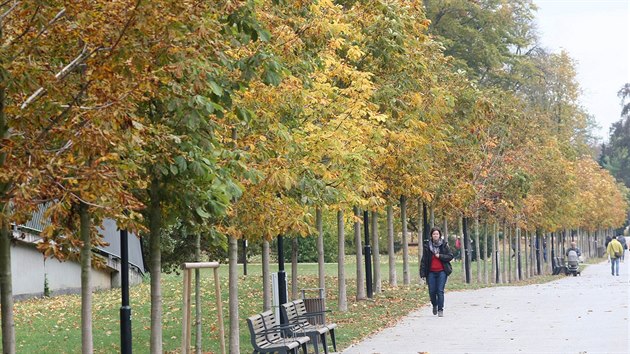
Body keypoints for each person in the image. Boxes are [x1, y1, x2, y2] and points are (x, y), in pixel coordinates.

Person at [420, 227, 454, 317]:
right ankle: (434, 305)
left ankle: (440, 309)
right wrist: (422, 273)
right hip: (431, 272)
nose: (435, 235)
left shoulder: (444, 245)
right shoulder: (427, 246)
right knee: (432, 291)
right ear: (431, 235)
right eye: (434, 234)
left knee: (440, 291)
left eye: (437, 234)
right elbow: (424, 260)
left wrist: (440, 256)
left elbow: (450, 256)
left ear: (440, 235)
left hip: (442, 271)